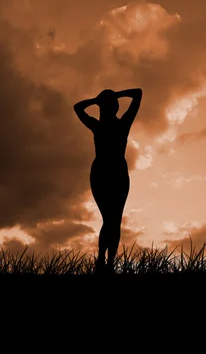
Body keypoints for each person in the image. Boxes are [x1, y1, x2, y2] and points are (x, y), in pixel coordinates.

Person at [73, 88, 143, 273]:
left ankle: (104, 262)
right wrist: (111, 97)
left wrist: (99, 100)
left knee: (111, 220)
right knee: (112, 219)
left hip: (109, 172)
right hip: (109, 173)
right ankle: (105, 262)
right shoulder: (120, 124)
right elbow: (137, 94)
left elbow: (79, 107)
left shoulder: (101, 125)